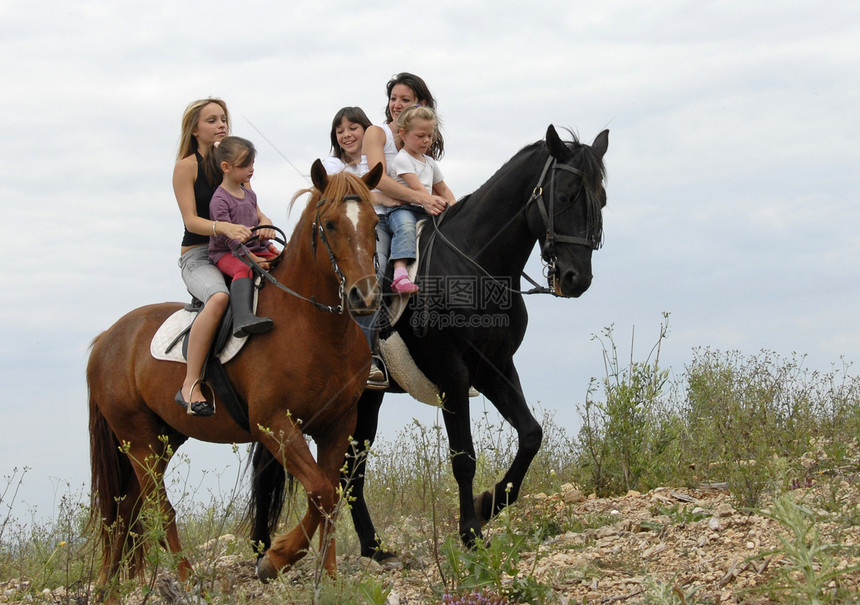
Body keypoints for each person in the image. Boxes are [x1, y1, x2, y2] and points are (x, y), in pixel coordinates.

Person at [173, 98, 256, 416]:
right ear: (194, 129)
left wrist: (261, 227)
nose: (221, 124)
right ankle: (190, 384)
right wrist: (225, 227)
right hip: (198, 255)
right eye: (211, 120)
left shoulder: (237, 163)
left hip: (237, 249)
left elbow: (252, 207)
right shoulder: (186, 166)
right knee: (219, 298)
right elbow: (191, 221)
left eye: (223, 119)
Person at [208, 136, 278, 338]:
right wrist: (254, 260)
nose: (251, 169)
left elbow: (256, 226)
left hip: (254, 249)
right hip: (227, 253)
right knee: (243, 269)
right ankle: (242, 318)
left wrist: (268, 241)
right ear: (226, 167)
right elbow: (231, 240)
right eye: (245, 165)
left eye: (252, 163)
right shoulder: (219, 200)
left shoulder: (249, 195)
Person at [387, 106, 456, 294]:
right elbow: (417, 188)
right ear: (403, 134)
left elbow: (443, 188)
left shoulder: (430, 162)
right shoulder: (402, 159)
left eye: (429, 135)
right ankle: (399, 274)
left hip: (425, 208)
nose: (426, 140)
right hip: (404, 209)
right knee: (406, 229)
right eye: (420, 136)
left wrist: (456, 209)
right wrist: (436, 201)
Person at [322, 106, 372, 176]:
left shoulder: (380, 158)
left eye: (353, 128)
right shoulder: (332, 163)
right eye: (340, 131)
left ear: (366, 129)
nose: (346, 135)